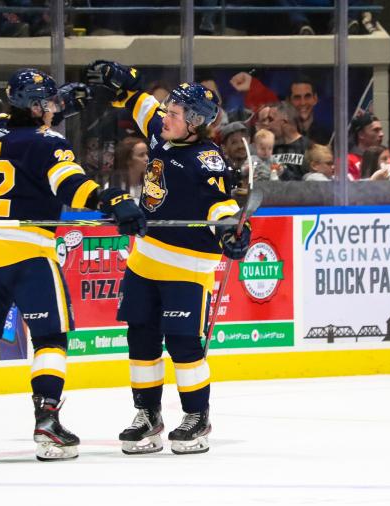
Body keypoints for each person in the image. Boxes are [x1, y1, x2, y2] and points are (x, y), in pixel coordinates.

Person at [0, 68, 146, 462]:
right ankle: (47, 422)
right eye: (50, 101)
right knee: (50, 340)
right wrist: (112, 200)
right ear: (37, 107)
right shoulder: (50, 144)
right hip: (28, 253)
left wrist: (55, 111)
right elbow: (71, 185)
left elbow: (22, 135)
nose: (56, 106)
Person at [85, 60, 251, 455]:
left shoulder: (206, 161)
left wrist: (229, 231)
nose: (165, 116)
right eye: (168, 110)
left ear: (193, 122)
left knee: (183, 344)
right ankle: (147, 414)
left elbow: (221, 207)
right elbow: (139, 102)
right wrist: (125, 84)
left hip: (186, 267)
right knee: (140, 338)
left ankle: (196, 416)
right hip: (144, 261)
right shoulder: (163, 131)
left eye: (174, 113)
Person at [268, 101, 310, 181]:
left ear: (284, 122)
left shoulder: (308, 147)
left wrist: (284, 173)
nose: (268, 125)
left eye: (271, 120)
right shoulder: (270, 149)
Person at [288, 76, 330, 145]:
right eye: (297, 97)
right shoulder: (282, 137)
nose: (303, 103)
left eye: (307, 96)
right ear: (289, 101)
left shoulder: (326, 137)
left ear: (315, 99)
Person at [347, 111, 385, 180]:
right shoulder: (348, 161)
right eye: (376, 130)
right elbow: (352, 189)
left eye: (381, 130)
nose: (381, 134)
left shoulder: (387, 157)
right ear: (361, 134)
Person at [113, 136, 148, 201]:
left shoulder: (153, 187)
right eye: (141, 155)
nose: (147, 158)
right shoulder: (114, 189)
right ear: (128, 160)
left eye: (147, 154)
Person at [218, 121, 249, 188]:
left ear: (249, 140)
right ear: (224, 148)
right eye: (234, 142)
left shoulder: (257, 165)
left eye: (243, 141)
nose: (240, 146)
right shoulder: (221, 172)